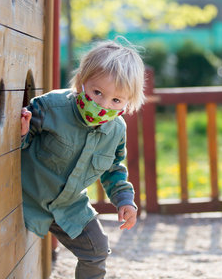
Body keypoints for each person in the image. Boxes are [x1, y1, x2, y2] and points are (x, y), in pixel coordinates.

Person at [20, 39, 145, 279]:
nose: (103, 105)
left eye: (116, 100)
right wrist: (23, 134)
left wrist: (124, 200)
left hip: (69, 204)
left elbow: (114, 168)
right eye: (97, 92)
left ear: (128, 102)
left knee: (97, 250)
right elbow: (13, 148)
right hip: (29, 196)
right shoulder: (50, 107)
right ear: (82, 81)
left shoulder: (116, 129)